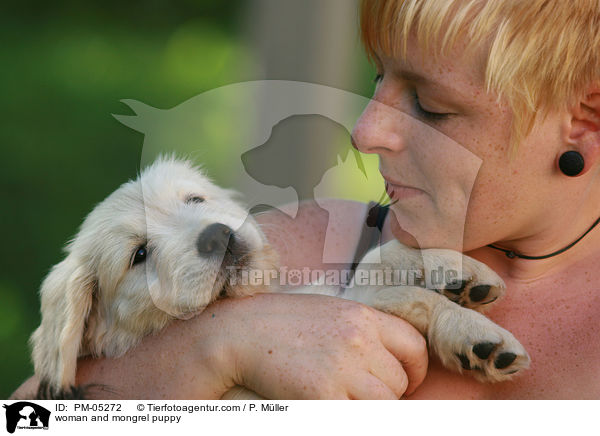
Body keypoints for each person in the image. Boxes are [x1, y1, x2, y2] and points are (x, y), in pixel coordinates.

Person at [12, 0, 600, 399]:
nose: (365, 131)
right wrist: (217, 347)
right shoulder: (322, 240)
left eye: (431, 104)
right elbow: (24, 420)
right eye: (378, 79)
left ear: (584, 122)